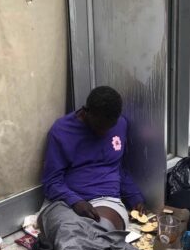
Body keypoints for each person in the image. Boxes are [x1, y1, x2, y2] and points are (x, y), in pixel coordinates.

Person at [41, 85, 145, 231]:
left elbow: (118, 167)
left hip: (105, 200)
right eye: (98, 126)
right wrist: (75, 201)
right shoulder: (61, 131)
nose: (103, 132)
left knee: (101, 229)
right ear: (86, 111)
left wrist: (134, 196)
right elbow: (51, 180)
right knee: (69, 232)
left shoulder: (121, 124)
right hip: (64, 200)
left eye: (109, 127)